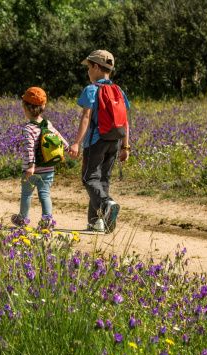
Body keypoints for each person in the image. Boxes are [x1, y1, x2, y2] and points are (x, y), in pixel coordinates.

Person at [67, 50, 131, 233]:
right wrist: (125, 146)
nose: (88, 71)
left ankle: (106, 203)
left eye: (88, 67)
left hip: (96, 142)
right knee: (102, 180)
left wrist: (77, 143)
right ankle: (96, 222)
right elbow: (125, 121)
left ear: (96, 67)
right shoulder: (118, 90)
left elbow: (86, 118)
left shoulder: (91, 89)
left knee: (89, 178)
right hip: (115, 141)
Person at [11, 87, 69, 227]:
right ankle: (47, 220)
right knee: (44, 194)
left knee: (26, 194)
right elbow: (60, 138)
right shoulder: (47, 124)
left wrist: (31, 167)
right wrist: (68, 149)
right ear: (43, 107)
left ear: (25, 108)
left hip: (31, 171)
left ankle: (22, 219)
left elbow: (29, 148)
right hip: (48, 168)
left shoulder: (28, 128)